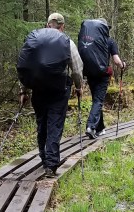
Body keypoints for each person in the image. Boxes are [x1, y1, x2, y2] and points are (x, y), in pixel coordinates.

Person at [17, 12, 83, 177]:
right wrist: (79, 86)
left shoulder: (34, 40)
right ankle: (51, 165)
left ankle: (44, 157)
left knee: (42, 123)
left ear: (48, 24)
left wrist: (23, 91)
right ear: (62, 26)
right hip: (58, 90)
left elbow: (26, 66)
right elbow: (76, 68)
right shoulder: (67, 42)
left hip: (38, 90)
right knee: (54, 124)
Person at [77, 18, 126, 139]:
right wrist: (122, 65)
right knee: (98, 101)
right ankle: (91, 126)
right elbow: (116, 60)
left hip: (89, 72)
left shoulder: (89, 40)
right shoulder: (109, 41)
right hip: (102, 74)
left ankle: (100, 128)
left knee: (96, 100)